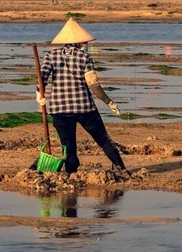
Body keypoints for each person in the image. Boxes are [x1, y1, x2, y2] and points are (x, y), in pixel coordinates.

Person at [36, 18, 127, 175]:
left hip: (59, 110)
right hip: (85, 108)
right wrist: (109, 102)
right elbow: (93, 85)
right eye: (83, 42)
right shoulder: (85, 58)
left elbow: (42, 78)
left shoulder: (51, 56)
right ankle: (123, 169)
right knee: (104, 140)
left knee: (69, 146)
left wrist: (39, 94)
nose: (84, 44)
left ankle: (71, 176)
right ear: (79, 42)